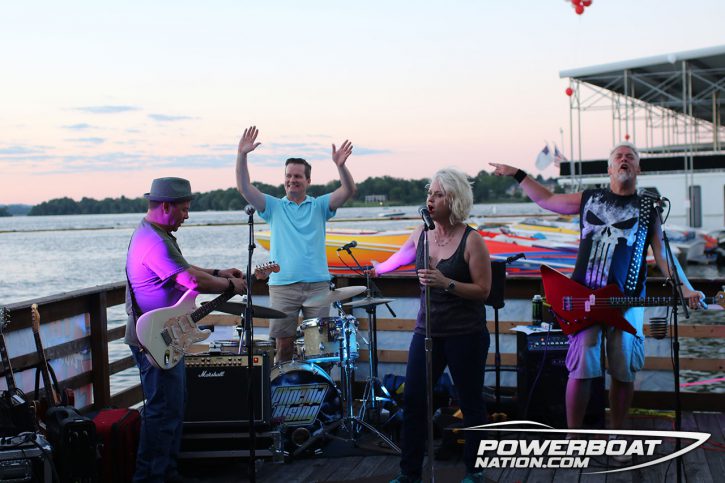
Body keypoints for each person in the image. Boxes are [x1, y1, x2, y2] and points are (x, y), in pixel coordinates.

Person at [490, 142, 705, 435]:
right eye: (618, 156)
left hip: (628, 301)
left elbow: (664, 256)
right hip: (584, 299)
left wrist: (686, 288)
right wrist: (517, 173)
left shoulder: (648, 209)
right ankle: (574, 437)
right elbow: (547, 200)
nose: (624, 159)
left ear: (638, 168)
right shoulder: (589, 199)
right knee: (580, 370)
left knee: (623, 371)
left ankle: (617, 435)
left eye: (630, 157)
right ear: (609, 168)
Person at [370, 168, 491, 483]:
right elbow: (399, 257)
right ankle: (409, 472)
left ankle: (475, 470)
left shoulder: (472, 240)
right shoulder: (421, 234)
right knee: (414, 400)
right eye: (430, 194)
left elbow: (483, 291)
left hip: (466, 334)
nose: (430, 200)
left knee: (470, 402)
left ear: (454, 200)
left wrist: (445, 282)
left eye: (438, 194)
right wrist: (378, 270)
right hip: (427, 332)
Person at [124, 177, 246, 483]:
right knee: (162, 412)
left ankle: (165, 472)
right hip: (153, 340)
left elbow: (184, 267)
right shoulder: (154, 241)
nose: (187, 216)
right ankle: (152, 477)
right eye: (184, 209)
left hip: (165, 335)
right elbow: (191, 281)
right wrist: (230, 284)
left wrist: (217, 272)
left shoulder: (156, 233)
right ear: (166, 206)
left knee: (170, 409)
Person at [235, 125, 356, 363]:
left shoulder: (320, 205)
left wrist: (341, 166)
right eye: (288, 176)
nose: (292, 180)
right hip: (282, 287)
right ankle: (283, 387)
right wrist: (242, 155)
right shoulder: (273, 206)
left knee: (319, 350)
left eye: (298, 176)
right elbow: (244, 188)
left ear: (308, 180)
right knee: (284, 347)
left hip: (318, 287)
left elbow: (349, 190)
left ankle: (316, 387)